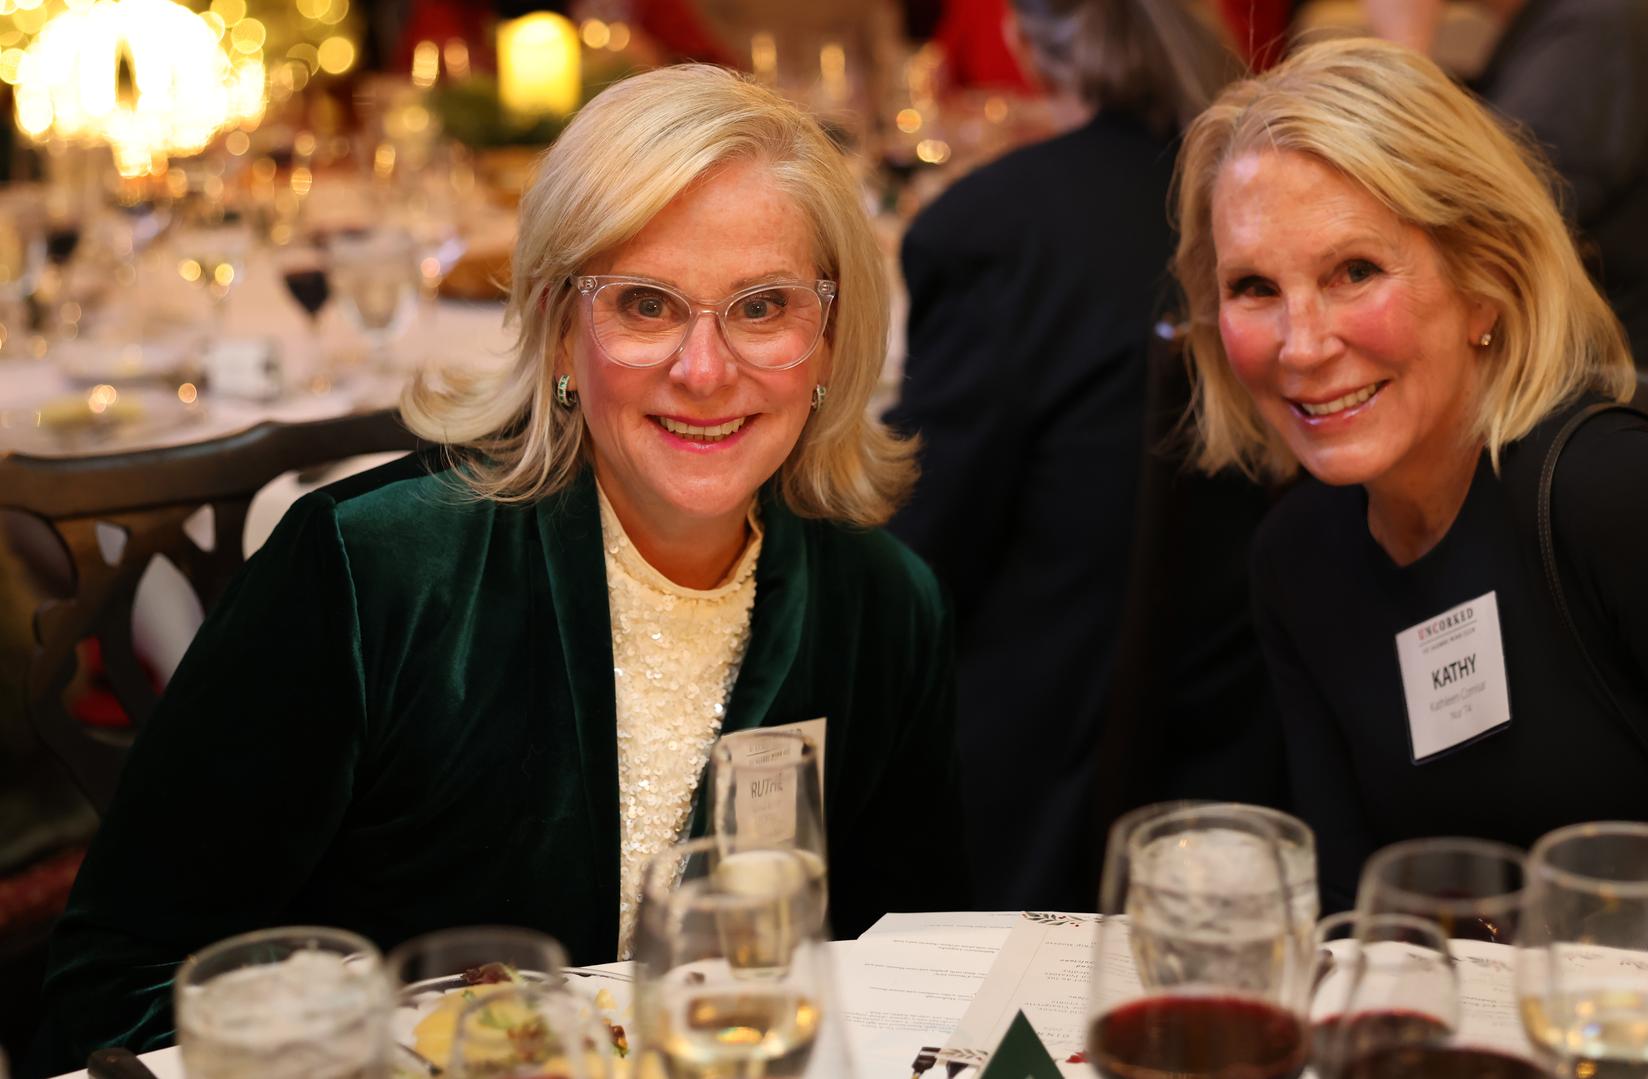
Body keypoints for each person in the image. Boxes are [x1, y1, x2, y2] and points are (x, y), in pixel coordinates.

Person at [33, 65, 962, 1071]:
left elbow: (902, 982)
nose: (705, 369)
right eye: (646, 305)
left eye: (763, 306)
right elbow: (114, 986)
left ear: (827, 339)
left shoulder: (882, 610)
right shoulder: (377, 573)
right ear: (562, 329)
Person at [1174, 38, 1648, 985]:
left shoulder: (1613, 502)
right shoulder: (1296, 558)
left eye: (1355, 270)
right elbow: (1359, 920)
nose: (1302, 343)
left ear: (1483, 279)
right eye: (1253, 288)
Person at [884, 0, 1253, 910]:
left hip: (1031, 755)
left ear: (1022, 41)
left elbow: (924, 554)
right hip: (1239, 718)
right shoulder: (1247, 188)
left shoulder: (996, 225)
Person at [1363, 0, 1648, 372]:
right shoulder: (1591, 24)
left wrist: (1403, 54)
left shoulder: (1601, 35)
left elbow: (1458, 238)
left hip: (1599, 393)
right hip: (1573, 367)